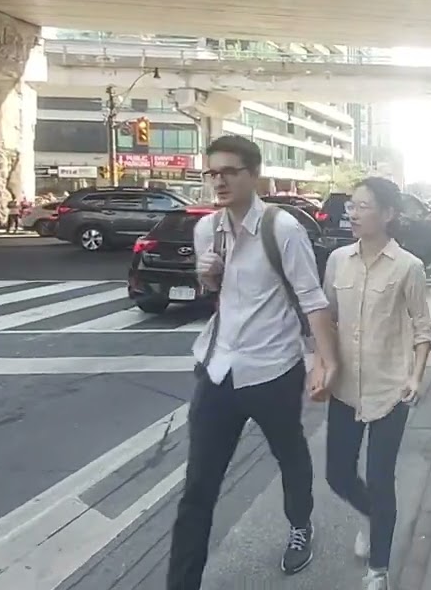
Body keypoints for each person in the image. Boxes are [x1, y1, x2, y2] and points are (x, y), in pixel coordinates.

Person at [167, 135, 339, 590]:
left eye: (228, 172)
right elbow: (219, 297)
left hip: (273, 368)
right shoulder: (206, 229)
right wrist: (208, 280)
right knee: (198, 488)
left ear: (252, 175)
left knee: (290, 455)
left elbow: (312, 298)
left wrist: (325, 361)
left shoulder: (282, 229)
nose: (218, 181)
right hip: (218, 367)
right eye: (211, 173)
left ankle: (300, 524)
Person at [322, 177, 431, 590]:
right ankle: (374, 516)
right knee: (337, 474)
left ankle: (379, 570)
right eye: (350, 205)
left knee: (380, 476)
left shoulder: (408, 267)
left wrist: (415, 376)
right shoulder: (337, 261)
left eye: (363, 206)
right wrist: (322, 365)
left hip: (390, 389)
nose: (351, 213)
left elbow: (424, 330)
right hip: (346, 389)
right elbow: (326, 321)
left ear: (388, 214)